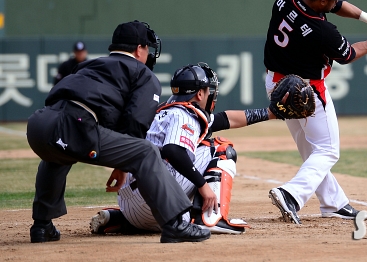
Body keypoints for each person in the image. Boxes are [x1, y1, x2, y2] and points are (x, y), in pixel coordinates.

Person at [26, 21, 211, 244]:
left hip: (40, 124)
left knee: (56, 155)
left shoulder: (89, 65)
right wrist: (123, 164)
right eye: (147, 48)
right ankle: (174, 224)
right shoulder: (142, 74)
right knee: (146, 151)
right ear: (139, 48)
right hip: (77, 124)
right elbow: (135, 123)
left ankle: (42, 226)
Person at [263, 0, 367, 224]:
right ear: (320, 1)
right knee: (328, 150)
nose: (335, 3)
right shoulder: (321, 30)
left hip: (275, 84)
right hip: (305, 90)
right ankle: (291, 194)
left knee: (310, 149)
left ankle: (334, 203)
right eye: (330, 1)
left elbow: (335, 4)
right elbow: (348, 55)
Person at [89, 63, 277, 235]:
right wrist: (203, 186)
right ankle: (210, 219)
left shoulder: (165, 109)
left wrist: (270, 113)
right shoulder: (185, 114)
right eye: (207, 89)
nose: (210, 93)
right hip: (153, 199)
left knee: (196, 149)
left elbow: (225, 119)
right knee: (221, 148)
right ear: (199, 94)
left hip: (130, 204)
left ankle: (119, 219)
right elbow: (173, 150)